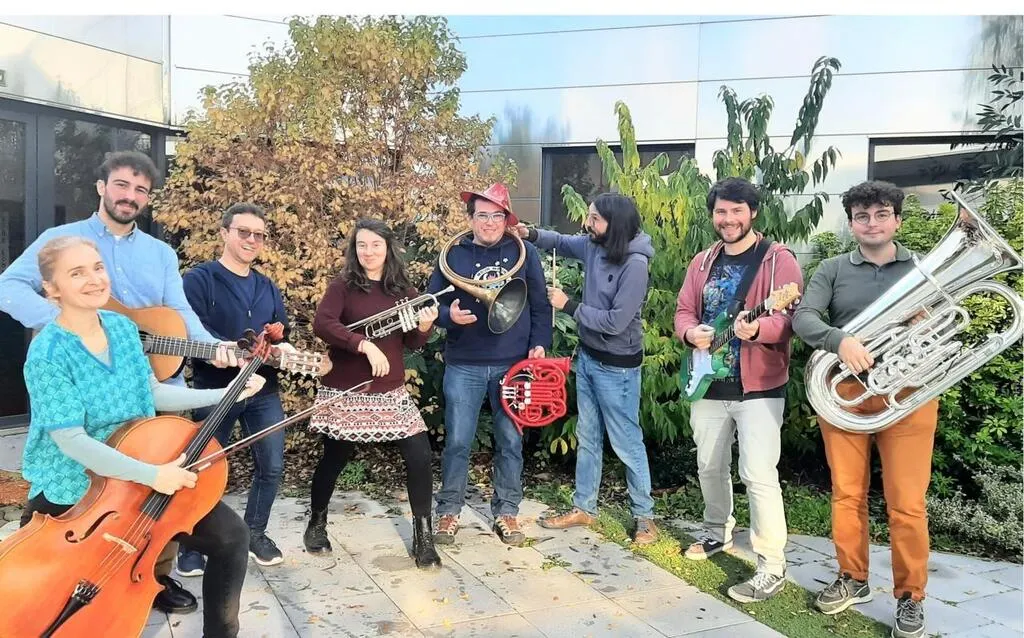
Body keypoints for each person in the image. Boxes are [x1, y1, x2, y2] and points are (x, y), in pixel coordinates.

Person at [0, 150, 233, 615]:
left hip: (147, 382)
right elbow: (8, 287)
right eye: (122, 184)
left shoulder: (159, 253)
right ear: (102, 187)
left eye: (141, 190)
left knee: (158, 499)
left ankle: (151, 578)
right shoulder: (61, 240)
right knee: (86, 496)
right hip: (85, 391)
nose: (130, 196)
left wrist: (214, 348)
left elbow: (179, 312)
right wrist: (70, 320)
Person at [18, 235, 262, 638]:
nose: (94, 279)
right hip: (80, 486)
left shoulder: (121, 328)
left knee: (232, 537)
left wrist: (226, 392)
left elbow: (152, 393)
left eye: (98, 268)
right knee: (61, 594)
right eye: (77, 273)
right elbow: (71, 441)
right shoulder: (47, 353)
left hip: (141, 469)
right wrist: (153, 475)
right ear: (51, 288)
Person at [792, 180, 933, 638]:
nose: (872, 223)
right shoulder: (832, 269)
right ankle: (853, 578)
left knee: (907, 503)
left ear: (897, 220)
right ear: (852, 224)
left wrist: (926, 320)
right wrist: (839, 340)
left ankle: (911, 596)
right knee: (847, 494)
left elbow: (946, 316)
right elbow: (804, 318)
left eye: (881, 214)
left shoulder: (924, 268)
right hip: (846, 394)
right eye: (862, 216)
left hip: (908, 396)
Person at [673, 177, 803, 603]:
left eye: (736, 211)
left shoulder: (778, 260)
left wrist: (760, 329)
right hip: (707, 382)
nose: (728, 219)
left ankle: (771, 564)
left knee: (758, 474)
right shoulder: (703, 261)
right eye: (721, 211)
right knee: (709, 466)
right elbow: (684, 310)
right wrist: (690, 333)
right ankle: (717, 532)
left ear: (753, 213)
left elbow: (790, 319)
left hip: (758, 387)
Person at [516, 192, 660, 545]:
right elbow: (562, 242)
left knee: (626, 442)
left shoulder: (635, 264)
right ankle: (584, 508)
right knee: (588, 437)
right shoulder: (595, 245)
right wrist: (529, 233)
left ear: (615, 224)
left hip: (618, 368)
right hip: (589, 358)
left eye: (595, 218)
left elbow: (616, 322)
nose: (587, 223)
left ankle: (645, 517)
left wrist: (569, 305)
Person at [304, 218, 441, 569]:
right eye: (362, 245)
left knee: (419, 455)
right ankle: (316, 523)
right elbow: (323, 324)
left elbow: (412, 342)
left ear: (388, 248)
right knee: (335, 457)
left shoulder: (403, 290)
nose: (368, 252)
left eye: (376, 245)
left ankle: (424, 537)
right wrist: (363, 344)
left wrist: (425, 325)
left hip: (389, 389)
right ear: (355, 249)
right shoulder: (342, 286)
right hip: (347, 387)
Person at [426, 183, 552, 547]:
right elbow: (431, 303)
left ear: (506, 219)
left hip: (513, 363)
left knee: (510, 440)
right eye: (482, 215)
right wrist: (449, 317)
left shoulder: (524, 252)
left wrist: (540, 343)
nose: (490, 222)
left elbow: (540, 304)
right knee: (457, 441)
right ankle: (449, 510)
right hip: (464, 362)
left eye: (497, 215)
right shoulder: (453, 255)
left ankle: (507, 511)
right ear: (471, 219)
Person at [177, 203, 294, 575]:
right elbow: (188, 329)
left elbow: (280, 332)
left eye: (259, 235)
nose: (251, 240)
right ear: (224, 232)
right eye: (244, 232)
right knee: (202, 469)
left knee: (271, 466)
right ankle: (192, 542)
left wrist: (283, 343)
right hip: (216, 391)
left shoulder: (266, 286)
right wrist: (219, 350)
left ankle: (254, 533)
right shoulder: (199, 280)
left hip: (262, 389)